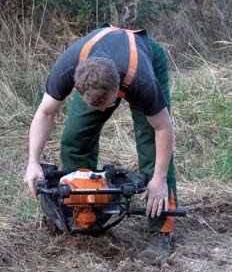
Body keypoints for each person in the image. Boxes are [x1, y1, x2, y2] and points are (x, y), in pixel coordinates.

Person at [24, 23, 178, 259]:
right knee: (75, 137)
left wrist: (158, 179)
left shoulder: (141, 81)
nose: (103, 110)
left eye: (106, 104)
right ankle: (82, 212)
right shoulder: (70, 67)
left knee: (150, 144)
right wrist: (33, 161)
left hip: (143, 56)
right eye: (94, 105)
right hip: (99, 65)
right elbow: (45, 112)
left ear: (119, 88)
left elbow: (163, 128)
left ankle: (161, 230)